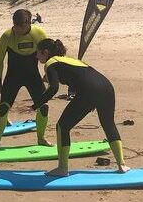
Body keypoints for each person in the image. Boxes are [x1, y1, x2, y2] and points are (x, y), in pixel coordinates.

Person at [23, 38, 129, 176]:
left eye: (38, 53)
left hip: (89, 90)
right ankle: (122, 165)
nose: (36, 56)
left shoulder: (51, 62)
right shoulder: (70, 60)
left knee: (62, 126)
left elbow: (53, 88)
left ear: (46, 52)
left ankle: (62, 168)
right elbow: (81, 78)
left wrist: (35, 105)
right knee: (108, 124)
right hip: (106, 86)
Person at [0, 9, 52, 149]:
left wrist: (48, 74)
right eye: (15, 26)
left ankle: (41, 139)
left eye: (21, 26)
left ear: (29, 23)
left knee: (44, 107)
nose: (17, 29)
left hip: (33, 76)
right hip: (13, 77)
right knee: (4, 108)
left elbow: (49, 55)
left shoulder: (38, 34)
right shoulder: (7, 36)